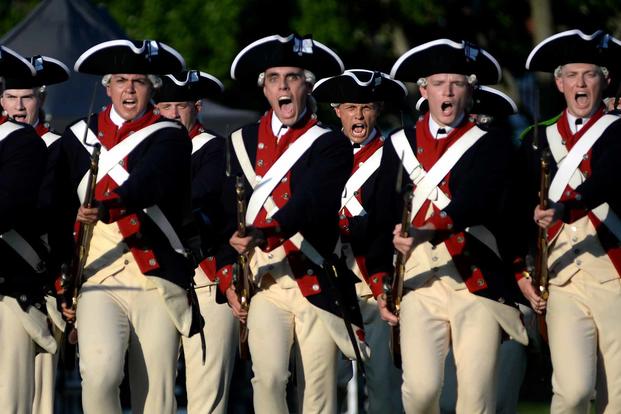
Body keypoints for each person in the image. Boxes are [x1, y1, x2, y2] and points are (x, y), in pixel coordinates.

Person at [365, 38, 529, 413]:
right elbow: (380, 219)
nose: (448, 92)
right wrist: (380, 280)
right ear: (424, 90)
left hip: (477, 283)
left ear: (470, 92)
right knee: (421, 392)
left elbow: (478, 201)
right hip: (418, 284)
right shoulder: (399, 145)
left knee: (475, 398)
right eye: (439, 83)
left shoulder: (493, 145)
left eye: (457, 83)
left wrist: (425, 230)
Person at [219, 33, 368, 414]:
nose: (283, 86)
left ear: (308, 85)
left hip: (314, 275)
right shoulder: (240, 141)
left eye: (292, 77)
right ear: (265, 89)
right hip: (265, 280)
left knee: (317, 388)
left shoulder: (330, 143)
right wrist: (226, 271)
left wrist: (264, 231)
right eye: (273, 78)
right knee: (267, 378)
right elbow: (222, 213)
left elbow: (312, 204)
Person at [51, 39, 200, 414]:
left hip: (156, 277)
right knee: (99, 374)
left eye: (138, 81)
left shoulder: (170, 135)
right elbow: (54, 210)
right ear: (108, 86)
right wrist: (60, 274)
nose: (129, 89)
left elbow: (151, 182)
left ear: (152, 88)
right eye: (120, 80)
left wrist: (106, 206)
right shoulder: (77, 137)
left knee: (157, 393)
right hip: (99, 277)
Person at [517, 29, 621, 413]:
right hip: (561, 280)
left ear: (604, 80)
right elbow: (513, 214)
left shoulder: (617, 132)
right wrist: (520, 272)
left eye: (590, 74)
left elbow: (608, 178)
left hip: (615, 274)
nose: (581, 83)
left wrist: (565, 206)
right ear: (559, 83)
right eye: (572, 75)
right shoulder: (536, 140)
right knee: (573, 392)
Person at [312, 68, 406, 413]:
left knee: (382, 381)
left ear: (377, 110)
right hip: (329, 277)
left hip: (374, 276)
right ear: (337, 111)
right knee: (324, 381)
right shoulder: (317, 152)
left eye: (366, 107)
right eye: (351, 107)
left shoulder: (395, 155)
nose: (359, 116)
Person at [153, 70, 238, 414]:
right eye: (166, 106)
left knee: (207, 391)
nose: (173, 114)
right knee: (153, 390)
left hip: (205, 274)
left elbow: (199, 198)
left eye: (181, 106)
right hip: (157, 274)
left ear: (197, 108)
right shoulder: (141, 151)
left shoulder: (216, 149)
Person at [1, 54, 70, 414]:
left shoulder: (58, 145)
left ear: (40, 100)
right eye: (11, 97)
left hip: (36, 274)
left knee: (38, 396)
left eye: (26, 97)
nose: (19, 106)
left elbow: (53, 209)